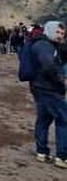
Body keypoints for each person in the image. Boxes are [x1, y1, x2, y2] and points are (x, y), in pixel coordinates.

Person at [31, 21, 67, 167]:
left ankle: (42, 152)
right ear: (49, 30)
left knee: (44, 119)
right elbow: (48, 66)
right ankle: (62, 156)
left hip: (41, 88)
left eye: (62, 34)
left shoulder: (49, 45)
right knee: (64, 120)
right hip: (49, 89)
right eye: (57, 32)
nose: (60, 36)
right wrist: (61, 82)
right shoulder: (44, 46)